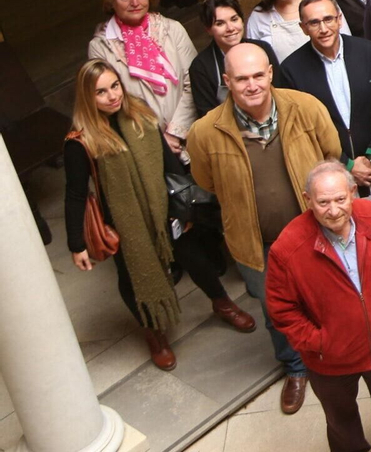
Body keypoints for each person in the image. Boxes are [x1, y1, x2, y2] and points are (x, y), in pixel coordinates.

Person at [64, 61, 253, 371]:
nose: (112, 96)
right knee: (132, 278)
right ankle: (153, 332)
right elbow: (74, 194)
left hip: (165, 209)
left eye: (115, 86)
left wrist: (186, 206)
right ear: (88, 97)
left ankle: (222, 303)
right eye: (101, 92)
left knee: (193, 256)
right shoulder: (81, 141)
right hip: (125, 224)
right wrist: (76, 244)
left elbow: (170, 165)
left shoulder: (140, 116)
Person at [187, 43, 342, 414]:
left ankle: (337, 355)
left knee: (331, 294)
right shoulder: (205, 132)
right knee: (277, 311)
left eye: (259, 75)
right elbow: (206, 181)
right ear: (227, 81)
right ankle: (295, 367)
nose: (252, 85)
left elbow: (331, 152)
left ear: (270, 73)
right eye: (241, 79)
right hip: (259, 245)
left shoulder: (305, 108)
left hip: (317, 233)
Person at [265, 163, 371, 452]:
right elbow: (282, 309)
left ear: (353, 193)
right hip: (329, 358)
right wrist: (320, 342)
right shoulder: (287, 248)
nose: (333, 210)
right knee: (339, 415)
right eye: (323, 202)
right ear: (307, 200)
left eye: (340, 199)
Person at [278, 0, 371, 205]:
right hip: (327, 179)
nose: (323, 29)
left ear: (339, 19)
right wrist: (347, 165)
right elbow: (300, 131)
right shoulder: (290, 71)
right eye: (314, 22)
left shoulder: (368, 52)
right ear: (303, 28)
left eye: (328, 19)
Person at [88, 0, 197, 154]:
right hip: (144, 146)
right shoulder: (100, 47)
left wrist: (175, 132)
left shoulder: (172, 29)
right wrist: (158, 142)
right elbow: (112, 103)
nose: (135, 2)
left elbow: (194, 81)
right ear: (110, 1)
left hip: (192, 134)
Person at [190, 0, 279, 118]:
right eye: (220, 24)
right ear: (208, 30)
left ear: (242, 21)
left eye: (234, 19)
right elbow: (207, 115)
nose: (230, 28)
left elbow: (281, 92)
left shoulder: (262, 49)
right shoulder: (201, 66)